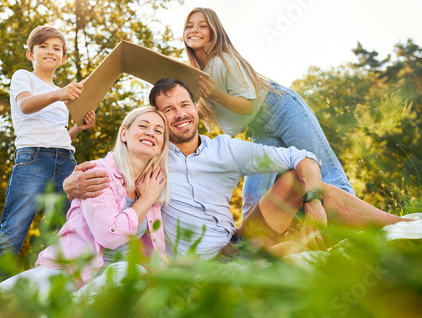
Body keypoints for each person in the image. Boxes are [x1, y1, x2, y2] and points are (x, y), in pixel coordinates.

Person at [64, 78, 411, 259]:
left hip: (239, 242)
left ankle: (405, 227)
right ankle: (291, 251)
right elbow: (108, 169)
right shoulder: (151, 156)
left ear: (196, 109)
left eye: (185, 104)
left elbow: (303, 157)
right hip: (202, 262)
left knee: (295, 180)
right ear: (159, 118)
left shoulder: (226, 150)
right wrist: (71, 184)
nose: (179, 113)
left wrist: (314, 200)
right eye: (167, 110)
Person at [0, 106, 169, 317]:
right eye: (143, 125)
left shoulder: (152, 187)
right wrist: (146, 199)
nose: (151, 132)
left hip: (104, 285)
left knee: (132, 274)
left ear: (161, 145)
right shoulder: (98, 172)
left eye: (158, 131)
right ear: (124, 134)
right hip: (68, 270)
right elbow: (110, 235)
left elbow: (151, 253)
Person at [183, 7, 355, 219]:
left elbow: (247, 105)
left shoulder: (226, 59)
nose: (194, 30)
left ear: (214, 32)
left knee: (326, 172)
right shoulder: (199, 74)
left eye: (202, 26)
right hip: (260, 128)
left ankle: (361, 231)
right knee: (254, 194)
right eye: (189, 26)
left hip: (282, 108)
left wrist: (217, 95)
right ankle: (251, 247)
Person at [0, 25, 96, 285]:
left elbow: (58, 135)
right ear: (30, 53)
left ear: (64, 58)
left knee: (72, 227)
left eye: (56, 48)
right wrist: (59, 94)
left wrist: (78, 128)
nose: (50, 51)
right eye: (43, 46)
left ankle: (66, 291)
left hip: (65, 160)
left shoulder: (61, 93)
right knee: (14, 229)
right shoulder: (24, 77)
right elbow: (25, 106)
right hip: (32, 159)